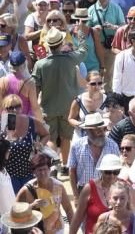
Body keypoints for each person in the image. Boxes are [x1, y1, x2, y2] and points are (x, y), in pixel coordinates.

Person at [32, 25, 89, 168]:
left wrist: (35, 108)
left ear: (49, 45)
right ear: (61, 43)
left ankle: (53, 166)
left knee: (50, 138)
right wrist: (80, 33)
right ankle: (64, 166)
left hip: (48, 107)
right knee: (66, 138)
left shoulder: (40, 64)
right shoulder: (71, 59)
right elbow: (84, 50)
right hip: (67, 107)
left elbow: (36, 88)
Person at [16, 153, 74, 234]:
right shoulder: (26, 190)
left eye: (45, 169)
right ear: (34, 172)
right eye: (39, 170)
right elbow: (16, 212)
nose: (43, 173)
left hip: (57, 230)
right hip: (36, 231)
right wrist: (31, 206)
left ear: (49, 169)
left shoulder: (59, 186)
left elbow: (68, 209)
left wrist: (73, 230)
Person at [68, 113, 120, 200]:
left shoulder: (113, 146)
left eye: (103, 128)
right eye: (97, 130)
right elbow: (72, 172)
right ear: (88, 131)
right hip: (83, 190)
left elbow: (117, 171)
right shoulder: (76, 146)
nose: (101, 132)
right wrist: (76, 196)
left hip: (107, 191)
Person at [68, 153, 122, 234]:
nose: (112, 175)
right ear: (101, 171)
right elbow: (78, 218)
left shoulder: (124, 187)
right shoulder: (89, 188)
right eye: (108, 172)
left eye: (116, 172)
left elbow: (132, 215)